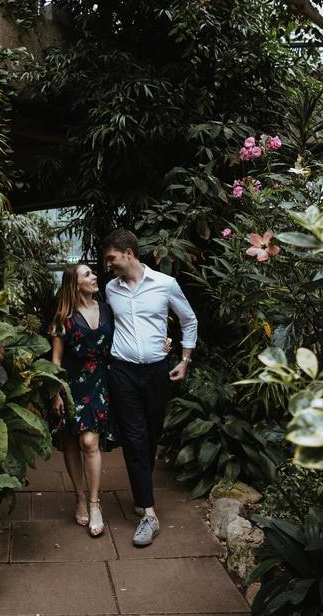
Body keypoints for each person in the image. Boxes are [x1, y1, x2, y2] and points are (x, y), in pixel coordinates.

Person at [101, 229, 198, 547]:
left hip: (157, 373)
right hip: (123, 373)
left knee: (151, 435)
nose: (109, 264)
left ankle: (142, 493)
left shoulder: (165, 284)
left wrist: (184, 359)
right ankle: (149, 516)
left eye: (112, 257)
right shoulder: (110, 289)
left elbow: (189, 320)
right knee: (134, 438)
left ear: (129, 253)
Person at [49, 264, 116, 538]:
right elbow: (55, 360)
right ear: (74, 284)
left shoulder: (108, 309)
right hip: (71, 383)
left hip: (100, 379)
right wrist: (55, 392)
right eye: (87, 275)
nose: (94, 277)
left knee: (89, 441)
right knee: (71, 443)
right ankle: (79, 497)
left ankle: (94, 503)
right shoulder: (62, 318)